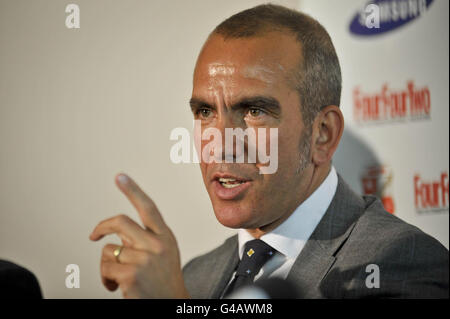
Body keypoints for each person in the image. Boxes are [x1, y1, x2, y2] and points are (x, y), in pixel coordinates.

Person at [89, 4, 449, 298]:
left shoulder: (399, 263)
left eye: (253, 111)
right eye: (205, 112)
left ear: (322, 135)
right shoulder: (195, 278)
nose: (220, 143)